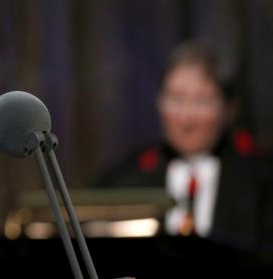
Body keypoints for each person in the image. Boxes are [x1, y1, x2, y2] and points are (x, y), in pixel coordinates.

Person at [100, 40, 273, 253]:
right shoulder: (125, 179)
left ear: (228, 109)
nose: (186, 119)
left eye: (202, 101)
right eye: (176, 99)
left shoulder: (261, 180)